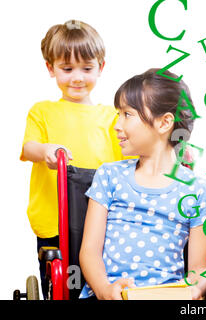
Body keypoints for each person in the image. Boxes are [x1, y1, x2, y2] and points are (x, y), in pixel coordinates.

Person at [79, 68, 206, 300]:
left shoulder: (198, 190)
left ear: (164, 123)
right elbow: (89, 251)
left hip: (165, 296)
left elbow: (199, 267)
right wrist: (104, 289)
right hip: (111, 293)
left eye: (127, 114)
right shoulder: (109, 176)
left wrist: (192, 291)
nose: (117, 125)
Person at [20, 20, 126, 299]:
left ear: (101, 67)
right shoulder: (42, 112)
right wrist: (46, 151)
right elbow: (29, 147)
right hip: (55, 219)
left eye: (87, 68)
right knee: (64, 284)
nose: (77, 77)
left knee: (99, 279)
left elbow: (133, 151)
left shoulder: (112, 117)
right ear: (50, 68)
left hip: (103, 220)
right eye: (67, 69)